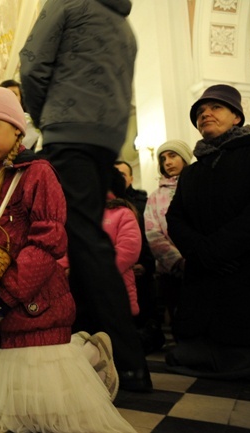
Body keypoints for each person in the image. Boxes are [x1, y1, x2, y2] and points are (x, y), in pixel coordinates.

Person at [0, 86, 135, 432]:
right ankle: (86, 353)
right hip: (2, 304)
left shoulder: (38, 172)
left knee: (53, 409)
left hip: (34, 299)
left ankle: (91, 354)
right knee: (14, 407)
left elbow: (48, 241)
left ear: (16, 128)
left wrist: (6, 296)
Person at [20, 0, 151, 391]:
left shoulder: (66, 2)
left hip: (68, 129)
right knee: (82, 241)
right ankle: (91, 350)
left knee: (83, 241)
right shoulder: (123, 24)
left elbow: (32, 62)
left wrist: (44, 117)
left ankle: (128, 363)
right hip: (105, 138)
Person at [166, 84, 250, 381]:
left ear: (237, 117)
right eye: (199, 112)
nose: (205, 114)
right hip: (208, 275)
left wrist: (215, 250)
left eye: (215, 107)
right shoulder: (193, 171)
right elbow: (176, 218)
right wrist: (201, 251)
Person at [115, 160, 164, 354]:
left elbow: (148, 238)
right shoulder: (102, 204)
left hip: (140, 265)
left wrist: (146, 264)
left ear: (131, 178)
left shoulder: (142, 203)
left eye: (123, 175)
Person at [143, 140, 192, 327]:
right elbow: (153, 232)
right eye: (163, 159)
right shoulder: (155, 196)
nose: (168, 162)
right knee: (179, 320)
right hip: (170, 270)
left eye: (173, 156)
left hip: (200, 264)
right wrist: (177, 261)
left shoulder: (198, 185)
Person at [103, 167, 141, 317]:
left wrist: (96, 271)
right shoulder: (85, 212)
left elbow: (128, 251)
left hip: (116, 287)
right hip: (84, 288)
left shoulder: (123, 213)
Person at [0, 79, 41, 151]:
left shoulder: (29, 120)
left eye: (14, 94)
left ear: (21, 98)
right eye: (6, 94)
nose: (9, 97)